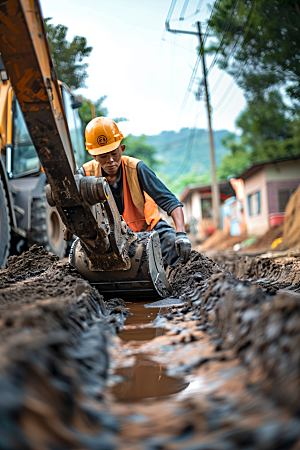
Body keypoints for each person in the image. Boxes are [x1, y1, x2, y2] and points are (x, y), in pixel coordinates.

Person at [79, 117, 191, 267]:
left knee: (171, 242)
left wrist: (181, 234)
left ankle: (177, 279)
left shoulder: (137, 168)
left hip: (147, 230)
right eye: (104, 156)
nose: (111, 160)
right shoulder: (85, 174)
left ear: (122, 148)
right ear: (94, 157)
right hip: (106, 237)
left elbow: (170, 201)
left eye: (114, 153)